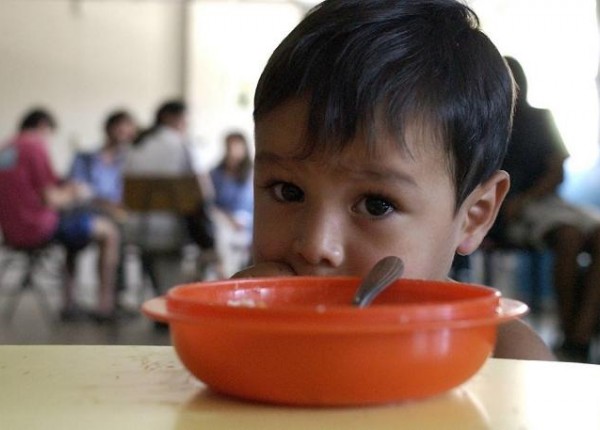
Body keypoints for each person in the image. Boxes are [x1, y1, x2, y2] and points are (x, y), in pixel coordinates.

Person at [232, 0, 555, 361]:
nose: (315, 245)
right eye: (287, 191)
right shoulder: (240, 329)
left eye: (376, 204)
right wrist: (232, 336)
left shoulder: (503, 359)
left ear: (474, 215)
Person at [496, 56, 600, 362]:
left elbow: (557, 168)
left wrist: (529, 198)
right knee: (568, 238)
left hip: (541, 203)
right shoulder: (489, 120)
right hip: (511, 209)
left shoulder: (541, 118)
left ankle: (580, 332)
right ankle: (574, 337)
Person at [0, 108, 120, 321]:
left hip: (12, 231)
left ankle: (69, 302)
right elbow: (52, 199)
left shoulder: (7, 148)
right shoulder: (33, 146)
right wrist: (76, 192)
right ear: (42, 127)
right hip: (38, 225)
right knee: (108, 232)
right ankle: (105, 306)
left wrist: (65, 187)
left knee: (73, 234)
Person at [124, 100, 223, 284]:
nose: (187, 125)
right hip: (171, 232)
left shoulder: (136, 147)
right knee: (213, 225)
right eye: (185, 120)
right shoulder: (182, 145)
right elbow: (204, 192)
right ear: (172, 118)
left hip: (137, 230)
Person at [69, 110, 138, 308]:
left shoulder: (128, 162)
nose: (124, 134)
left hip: (118, 217)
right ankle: (89, 302)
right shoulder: (85, 158)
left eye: (128, 130)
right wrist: (103, 203)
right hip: (85, 214)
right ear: (109, 129)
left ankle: (111, 299)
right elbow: (76, 190)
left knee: (121, 232)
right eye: (120, 128)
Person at [210, 131, 253, 274]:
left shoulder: (253, 172)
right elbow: (211, 204)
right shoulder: (216, 174)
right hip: (223, 220)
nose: (234, 150)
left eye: (237, 146)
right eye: (230, 146)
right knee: (222, 232)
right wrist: (229, 219)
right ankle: (225, 273)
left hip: (249, 221)